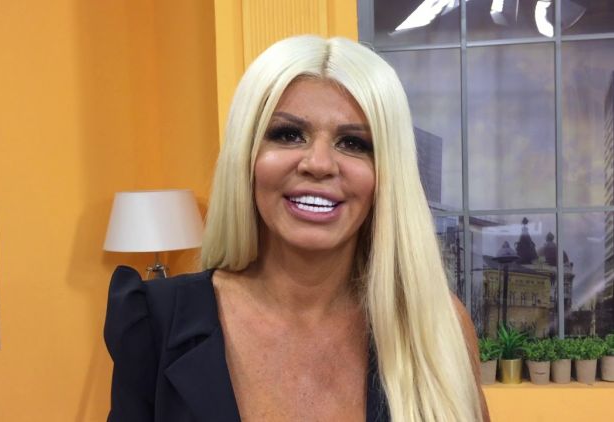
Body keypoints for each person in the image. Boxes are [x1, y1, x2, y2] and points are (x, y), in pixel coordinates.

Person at [105, 35, 490, 422]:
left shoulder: (438, 326)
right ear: (246, 155)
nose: (319, 164)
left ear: (386, 174)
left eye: (353, 142)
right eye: (288, 135)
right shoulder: (156, 322)